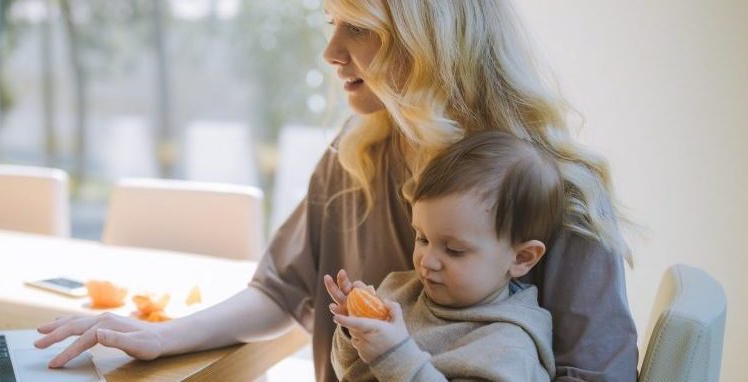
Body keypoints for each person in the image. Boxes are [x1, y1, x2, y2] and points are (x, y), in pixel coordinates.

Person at [34, 1, 638, 381]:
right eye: (331, 23)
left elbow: (595, 372)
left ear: (430, 39)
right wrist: (163, 335)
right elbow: (282, 291)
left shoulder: (559, 191)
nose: (330, 51)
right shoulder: (356, 152)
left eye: (359, 28)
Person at [328, 131, 564, 381]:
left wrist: (395, 357)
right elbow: (350, 374)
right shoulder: (400, 291)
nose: (427, 261)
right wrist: (353, 329)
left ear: (521, 258)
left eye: (454, 250)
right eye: (422, 238)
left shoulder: (508, 347)